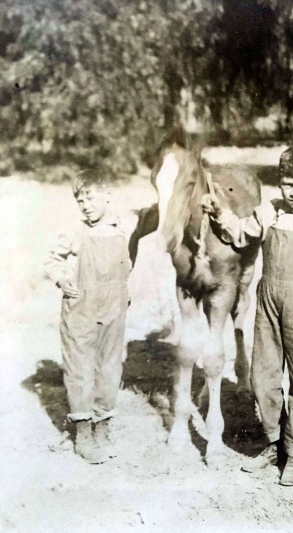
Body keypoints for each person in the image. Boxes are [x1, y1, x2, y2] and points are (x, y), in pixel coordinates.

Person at [202, 146, 293, 486]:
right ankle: (273, 444)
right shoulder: (269, 212)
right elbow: (240, 233)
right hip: (268, 300)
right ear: (279, 184)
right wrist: (218, 212)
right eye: (287, 184)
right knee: (263, 376)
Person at [45, 169, 138, 464]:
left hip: (114, 305)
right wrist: (62, 280)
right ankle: (83, 433)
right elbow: (51, 260)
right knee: (80, 366)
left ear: (108, 196)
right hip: (81, 305)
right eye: (79, 200)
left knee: (110, 365)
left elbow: (127, 263)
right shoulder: (75, 231)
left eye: (90, 198)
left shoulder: (121, 229)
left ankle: (103, 427)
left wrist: (123, 292)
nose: (85, 205)